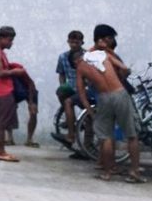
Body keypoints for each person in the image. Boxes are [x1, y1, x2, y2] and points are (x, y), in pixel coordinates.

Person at [77, 25, 143, 183]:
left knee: (106, 137)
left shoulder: (81, 65)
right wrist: (119, 76)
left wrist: (90, 111)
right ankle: (134, 172)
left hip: (103, 97)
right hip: (119, 94)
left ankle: (107, 172)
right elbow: (125, 69)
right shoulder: (104, 54)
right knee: (131, 135)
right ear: (102, 39)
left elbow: (81, 92)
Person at [0, 25, 25, 162]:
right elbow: (0, 73)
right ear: (1, 38)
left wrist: (11, 67)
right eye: (9, 40)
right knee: (1, 123)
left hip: (0, 90)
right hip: (4, 91)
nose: (11, 43)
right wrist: (16, 72)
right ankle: (1, 151)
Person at [54, 30, 86, 151]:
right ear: (68, 42)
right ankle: (70, 121)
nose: (74, 45)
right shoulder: (63, 57)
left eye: (76, 42)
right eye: (71, 42)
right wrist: (63, 85)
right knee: (61, 92)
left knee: (71, 102)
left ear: (82, 42)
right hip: (71, 85)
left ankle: (73, 134)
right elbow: (61, 74)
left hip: (84, 87)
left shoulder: (87, 56)